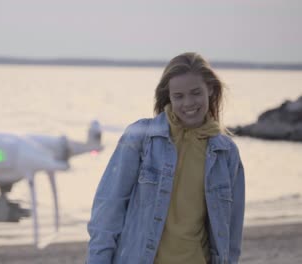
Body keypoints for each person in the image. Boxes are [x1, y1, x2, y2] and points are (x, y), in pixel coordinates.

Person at [86, 52, 245, 264]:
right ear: (168, 97)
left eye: (196, 93)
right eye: (178, 96)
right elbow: (108, 209)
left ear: (210, 89)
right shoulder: (140, 137)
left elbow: (232, 232)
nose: (188, 103)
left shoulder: (226, 153)